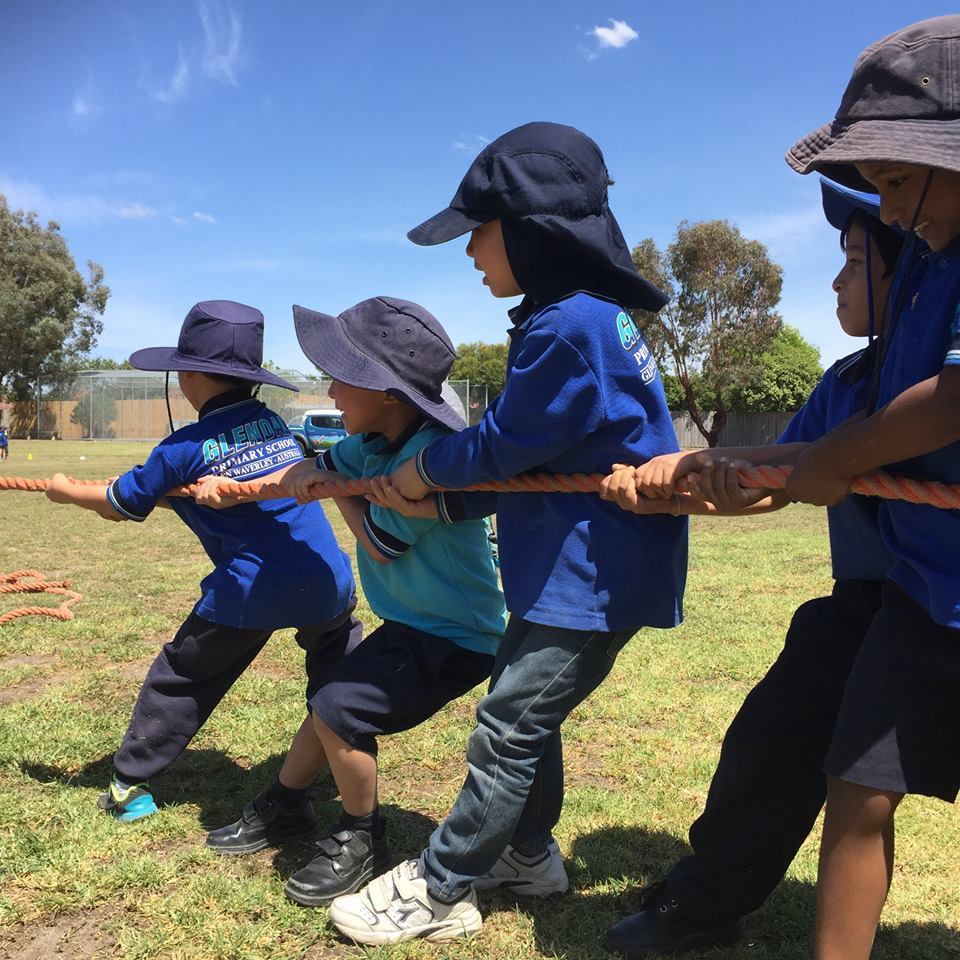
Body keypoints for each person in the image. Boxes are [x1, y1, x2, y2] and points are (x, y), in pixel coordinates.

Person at [327, 122, 688, 945]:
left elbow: (502, 447)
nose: (470, 254)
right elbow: (535, 465)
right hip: (567, 565)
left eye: (479, 233)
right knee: (525, 713)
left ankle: (443, 884)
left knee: (509, 723)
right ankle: (526, 854)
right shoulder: (583, 319)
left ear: (534, 230)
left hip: (592, 574)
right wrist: (447, 502)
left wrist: (426, 473)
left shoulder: (570, 325)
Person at [600, 179, 907, 956]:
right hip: (858, 607)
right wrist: (677, 495)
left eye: (852, 261)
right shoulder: (843, 383)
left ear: (918, 270)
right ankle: (705, 904)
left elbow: (797, 460)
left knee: (866, 790)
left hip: (936, 613)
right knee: (769, 740)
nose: (835, 281)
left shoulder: (930, 389)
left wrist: (705, 458)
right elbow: (773, 489)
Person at [205, 296, 506, 909]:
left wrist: (335, 493)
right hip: (412, 623)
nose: (333, 389)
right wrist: (247, 488)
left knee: (340, 711)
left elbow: (380, 542)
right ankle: (287, 806)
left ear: (386, 393)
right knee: (326, 704)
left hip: (459, 635)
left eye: (344, 377)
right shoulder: (367, 443)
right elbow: (315, 467)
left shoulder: (427, 460)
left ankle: (361, 834)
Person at [44, 299, 358, 823]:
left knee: (184, 674)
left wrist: (65, 491)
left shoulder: (181, 447)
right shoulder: (276, 428)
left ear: (189, 375)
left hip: (253, 589)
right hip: (327, 577)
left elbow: (119, 507)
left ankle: (130, 787)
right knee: (336, 665)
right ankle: (333, 752)